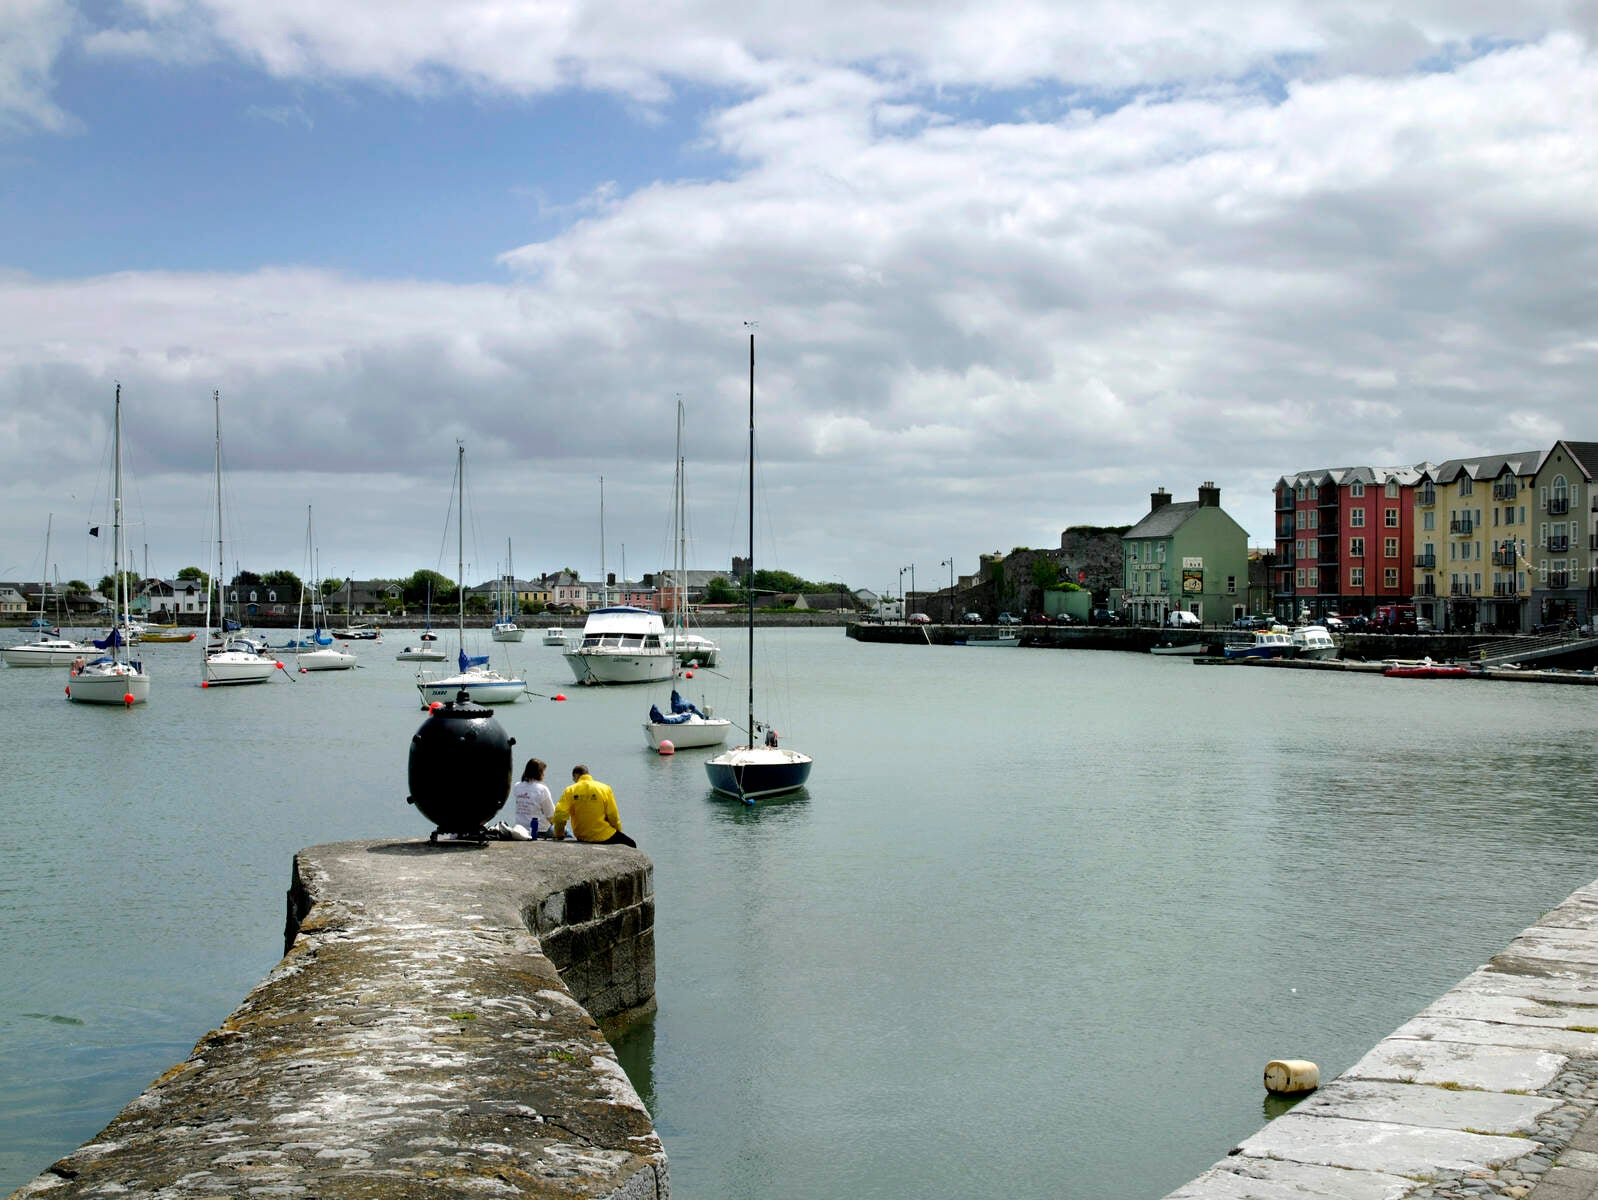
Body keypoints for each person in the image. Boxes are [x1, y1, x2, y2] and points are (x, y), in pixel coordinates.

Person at [551, 764, 637, 847]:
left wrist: (559, 834)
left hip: (582, 836)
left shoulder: (570, 790)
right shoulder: (605, 788)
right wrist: (618, 831)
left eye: (574, 779)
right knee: (631, 844)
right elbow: (612, 815)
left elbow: (560, 815)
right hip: (603, 835)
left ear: (576, 775)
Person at [512, 757, 555, 838]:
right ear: (539, 773)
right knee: (567, 833)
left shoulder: (517, 786)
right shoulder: (542, 789)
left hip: (520, 829)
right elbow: (551, 815)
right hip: (539, 830)